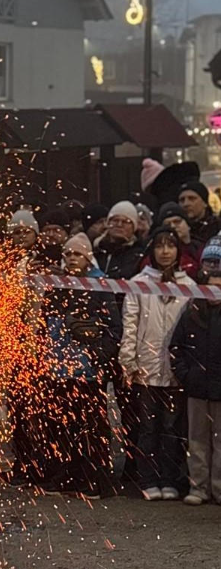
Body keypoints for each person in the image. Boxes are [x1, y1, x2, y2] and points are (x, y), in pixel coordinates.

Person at [38, 233, 121, 499]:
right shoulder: (56, 285)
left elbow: (114, 328)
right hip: (60, 369)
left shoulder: (99, 285)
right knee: (62, 426)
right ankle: (67, 475)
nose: (72, 258)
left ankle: (94, 478)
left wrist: (97, 358)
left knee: (92, 427)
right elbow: (45, 322)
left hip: (88, 371)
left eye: (77, 254)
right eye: (68, 254)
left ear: (87, 257)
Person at [119, 227, 194, 501]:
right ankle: (148, 478)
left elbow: (191, 329)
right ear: (152, 250)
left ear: (178, 250)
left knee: (172, 428)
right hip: (146, 369)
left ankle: (170, 478)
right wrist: (129, 361)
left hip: (175, 371)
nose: (165, 251)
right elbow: (130, 324)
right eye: (160, 246)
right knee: (148, 427)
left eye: (170, 246)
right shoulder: (139, 282)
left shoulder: (189, 285)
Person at [93, 200, 145, 482]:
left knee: (130, 407)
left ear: (134, 226)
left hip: (127, 333)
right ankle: (100, 464)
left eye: (125, 221)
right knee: (96, 407)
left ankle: (134, 466)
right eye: (114, 220)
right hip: (99, 338)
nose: (118, 225)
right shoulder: (96, 251)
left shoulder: (139, 254)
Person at [170, 236, 221, 505]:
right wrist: (186, 375)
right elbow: (176, 346)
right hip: (197, 388)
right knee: (197, 442)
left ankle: (218, 488)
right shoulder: (192, 311)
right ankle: (198, 487)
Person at [156, 202, 202, 277]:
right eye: (167, 224)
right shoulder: (158, 254)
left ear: (188, 224)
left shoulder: (201, 249)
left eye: (177, 222)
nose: (173, 226)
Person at [178, 180, 221, 245]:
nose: (186, 204)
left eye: (192, 198)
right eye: (182, 200)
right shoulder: (176, 230)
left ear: (205, 203)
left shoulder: (218, 226)